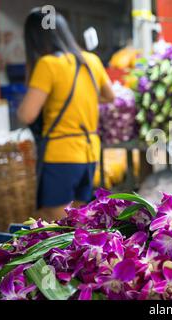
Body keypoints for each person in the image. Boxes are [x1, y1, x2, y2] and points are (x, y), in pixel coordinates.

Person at [18, 8, 114, 221]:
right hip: (89, 153)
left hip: (61, 155)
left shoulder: (48, 64)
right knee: (77, 221)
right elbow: (109, 96)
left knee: (55, 224)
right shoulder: (91, 60)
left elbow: (26, 114)